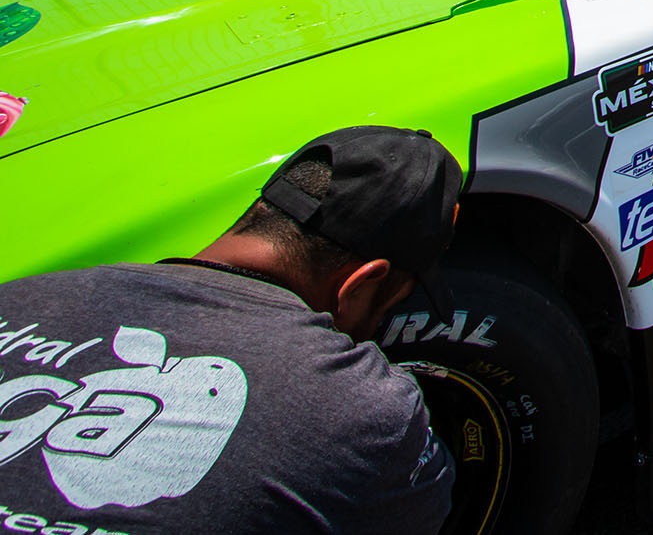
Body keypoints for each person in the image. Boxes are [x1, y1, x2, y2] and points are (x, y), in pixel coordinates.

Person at [0, 125, 460, 532]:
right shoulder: (370, 409)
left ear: (260, 213)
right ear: (362, 284)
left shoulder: (18, 295)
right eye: (390, 306)